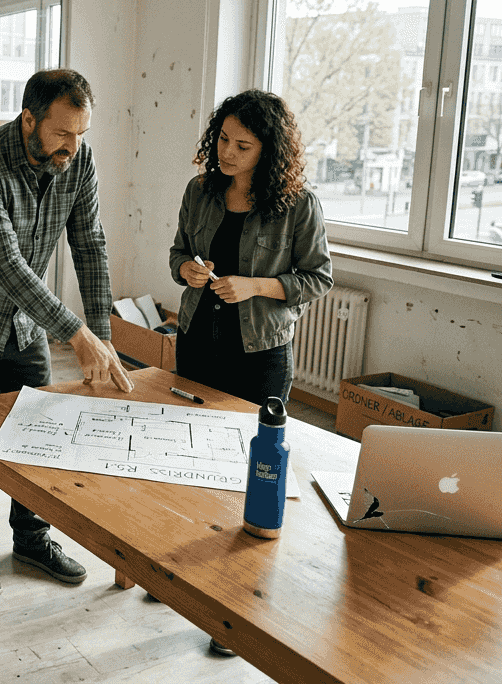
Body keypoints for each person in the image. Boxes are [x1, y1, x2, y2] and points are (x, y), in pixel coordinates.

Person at [0, 68, 133, 600]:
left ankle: (32, 538)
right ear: (29, 120)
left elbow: (89, 243)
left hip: (25, 321)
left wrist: (103, 338)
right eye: (63, 133)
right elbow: (6, 264)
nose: (73, 145)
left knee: (43, 430)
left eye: (81, 133)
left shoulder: (78, 158)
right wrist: (77, 334)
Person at [168, 91, 332, 655]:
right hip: (196, 343)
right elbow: (177, 252)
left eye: (244, 145)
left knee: (251, 475)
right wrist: (187, 269)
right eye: (222, 141)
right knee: (189, 461)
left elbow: (318, 278)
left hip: (260, 352)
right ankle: (179, 575)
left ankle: (236, 608)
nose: (228, 154)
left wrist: (256, 286)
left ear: (271, 148)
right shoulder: (200, 191)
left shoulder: (298, 204)